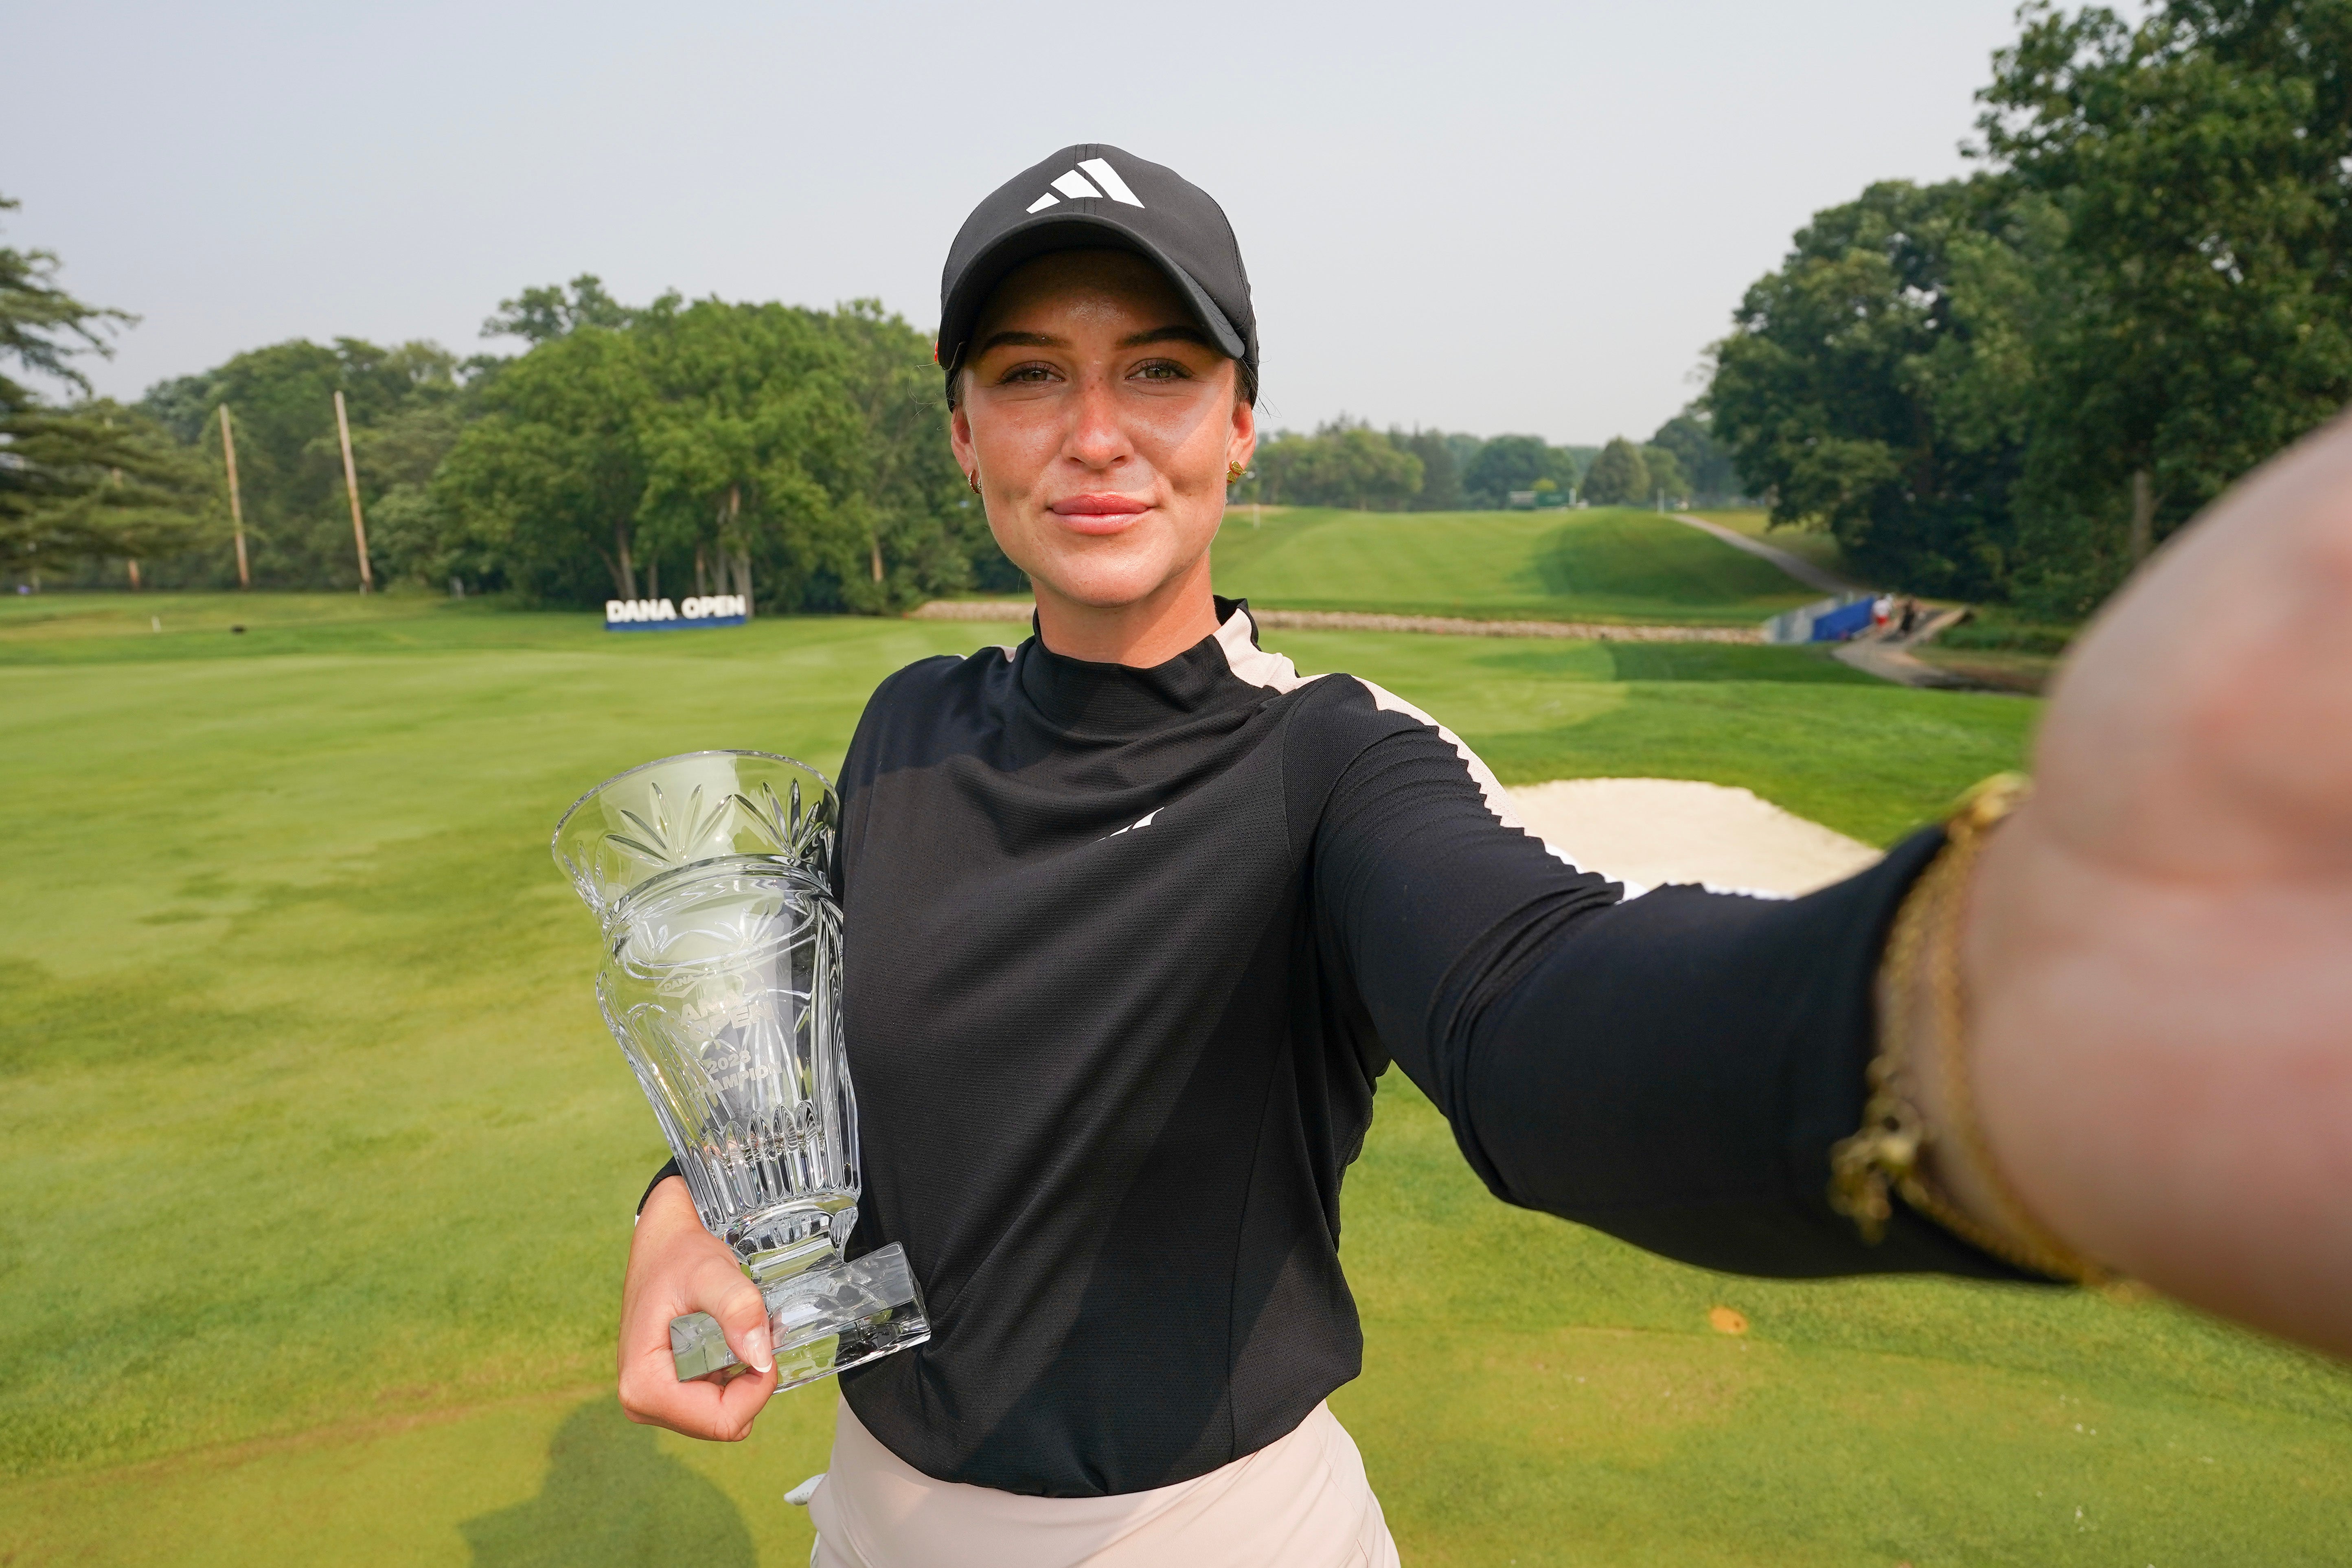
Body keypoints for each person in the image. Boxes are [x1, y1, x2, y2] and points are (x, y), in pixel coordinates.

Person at [615, 145, 2352, 1566]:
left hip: (1197, 1538)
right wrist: (681, 1208)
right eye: (1026, 377)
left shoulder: (1329, 761)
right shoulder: (907, 725)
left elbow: (1532, 1009)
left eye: (1157, 371)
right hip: (869, 1521)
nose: (1092, 433)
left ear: (1237, 424)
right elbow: (793, 1062)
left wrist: (1995, 1025)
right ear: (961, 432)